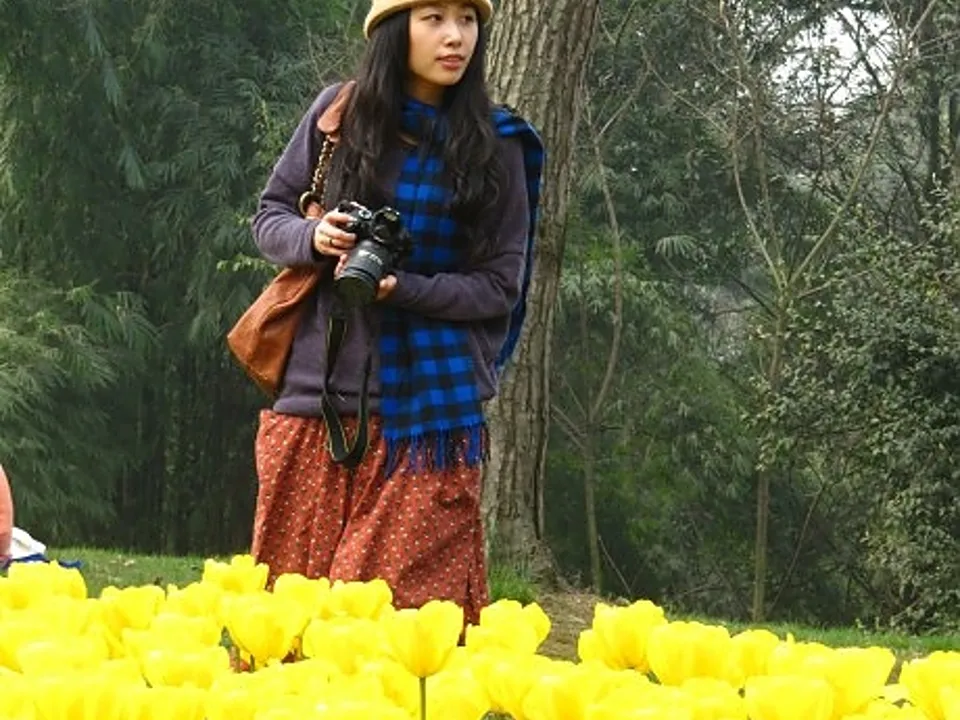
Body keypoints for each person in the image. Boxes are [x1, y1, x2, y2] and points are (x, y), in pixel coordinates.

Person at [248, 0, 543, 626]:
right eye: (433, 18)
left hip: (426, 421)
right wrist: (315, 238)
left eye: (467, 19)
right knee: (288, 625)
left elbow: (499, 287)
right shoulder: (338, 117)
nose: (455, 37)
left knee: (395, 625)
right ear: (392, 29)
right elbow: (270, 217)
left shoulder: (498, 145)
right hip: (315, 401)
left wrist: (401, 287)